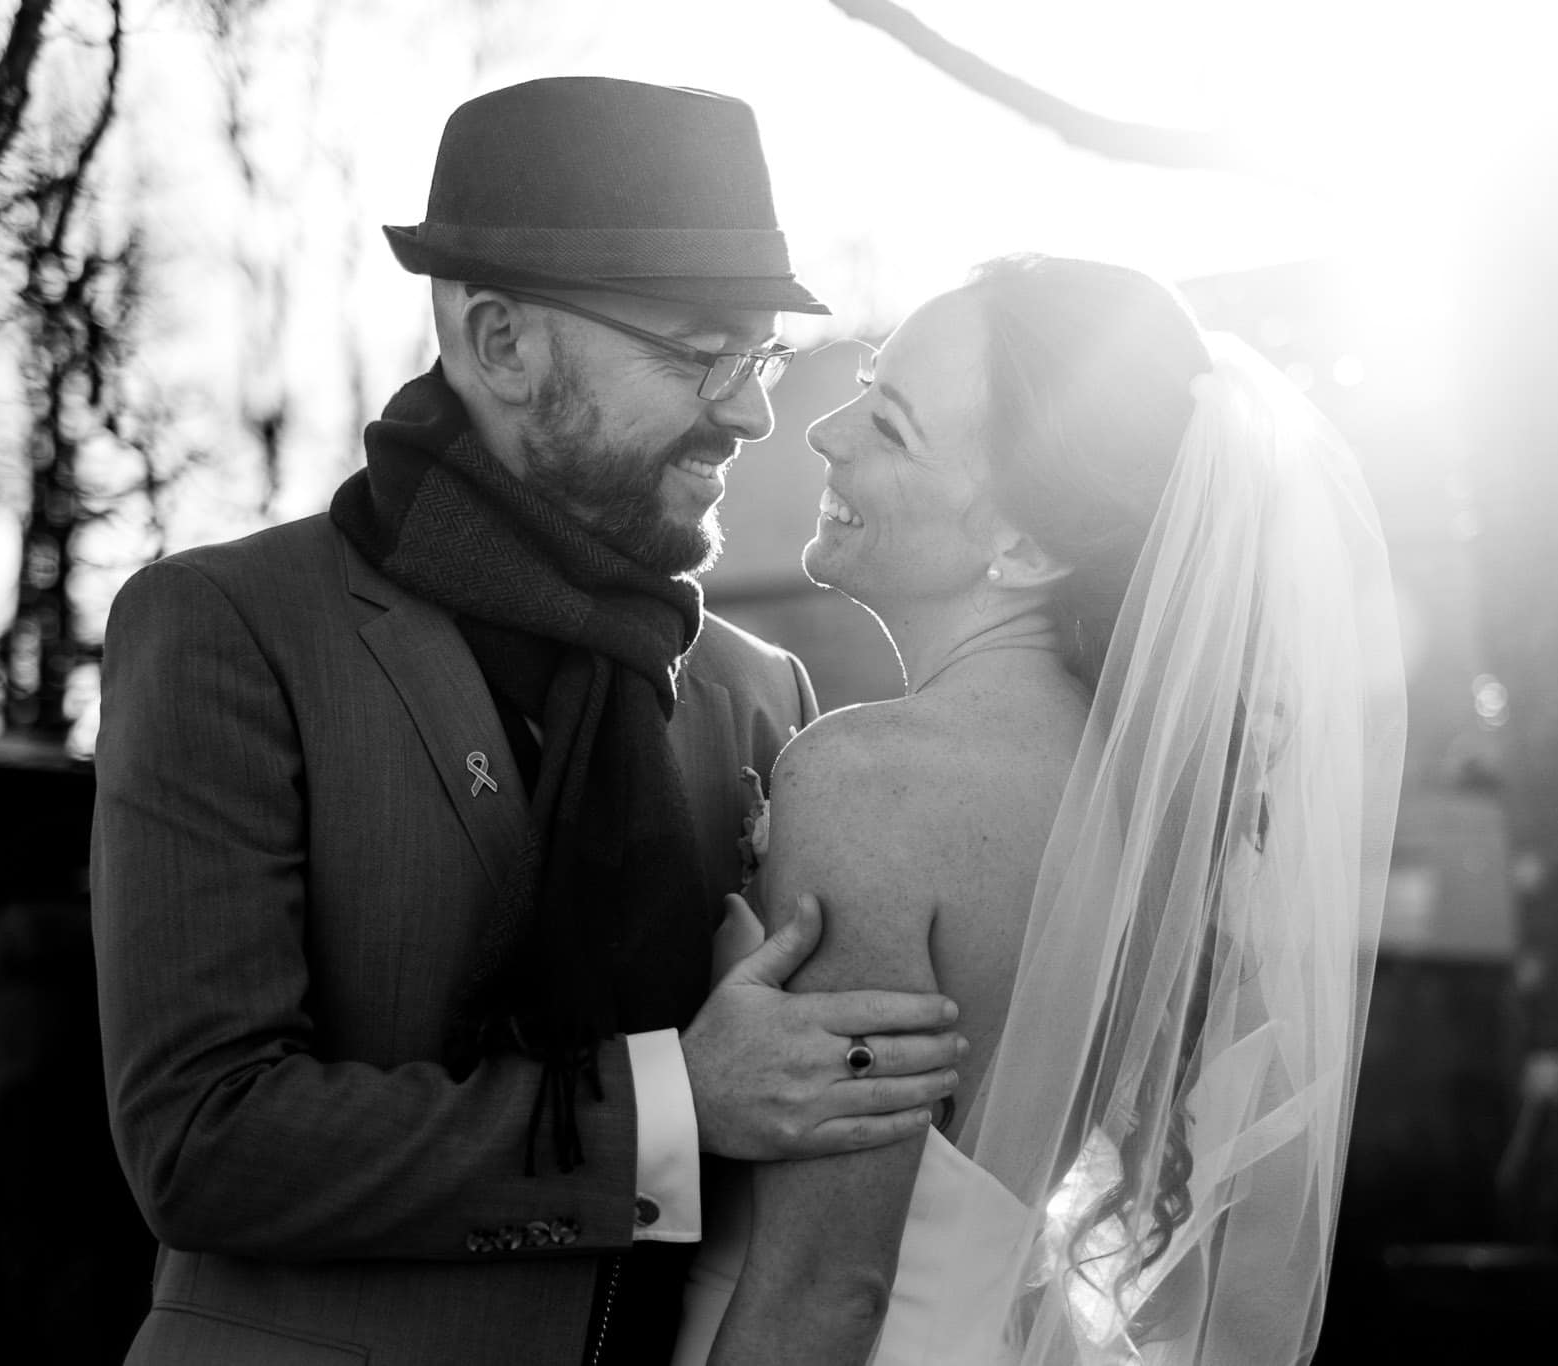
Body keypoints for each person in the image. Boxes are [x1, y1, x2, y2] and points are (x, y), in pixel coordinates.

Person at [90, 77, 966, 1366]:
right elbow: (202, 1143)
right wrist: (670, 1108)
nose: (751, 410)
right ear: (501, 342)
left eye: (762, 354)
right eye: (700, 350)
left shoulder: (759, 690)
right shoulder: (233, 626)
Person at [676, 256, 1407, 1365]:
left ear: (1025, 548)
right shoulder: (1148, 802)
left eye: (891, 426)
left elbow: (828, 1288)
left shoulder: (870, 780)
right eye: (864, 387)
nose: (824, 433)